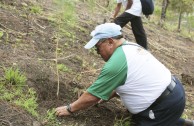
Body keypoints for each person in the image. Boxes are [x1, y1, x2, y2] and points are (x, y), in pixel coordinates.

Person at [55, 23, 193, 126]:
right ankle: (176, 122)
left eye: (98, 48)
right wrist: (108, 94)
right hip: (173, 93)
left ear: (110, 41)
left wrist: (70, 109)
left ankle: (172, 121)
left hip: (163, 105)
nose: (98, 53)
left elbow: (92, 96)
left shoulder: (117, 62)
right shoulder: (132, 47)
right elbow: (131, 80)